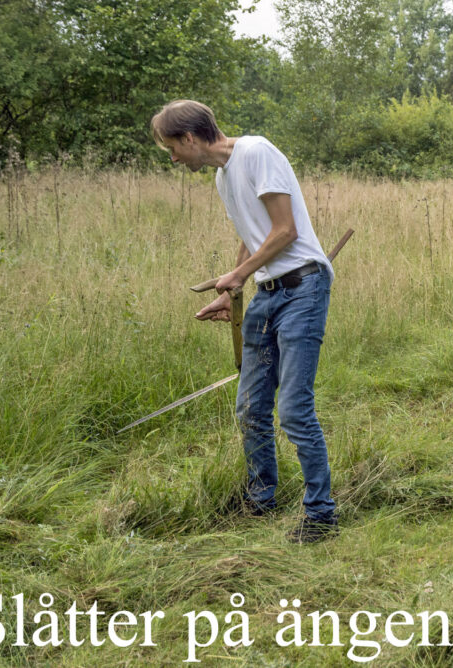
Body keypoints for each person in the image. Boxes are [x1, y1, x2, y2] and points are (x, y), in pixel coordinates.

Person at [150, 100, 338, 543]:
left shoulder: (257, 152)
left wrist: (239, 273)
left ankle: (321, 515)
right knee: (251, 408)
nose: (174, 158)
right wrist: (231, 291)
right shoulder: (222, 175)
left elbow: (285, 231)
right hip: (267, 294)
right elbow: (252, 234)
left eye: (172, 148)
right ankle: (259, 500)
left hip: (303, 290)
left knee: (293, 410)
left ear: (190, 138)